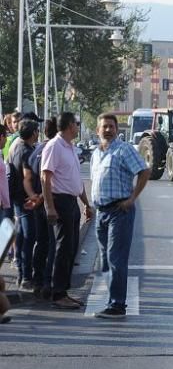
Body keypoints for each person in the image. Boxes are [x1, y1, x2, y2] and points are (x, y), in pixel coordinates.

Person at [89, 113, 149, 319]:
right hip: (101, 213)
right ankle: (112, 298)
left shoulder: (123, 150)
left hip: (119, 212)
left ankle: (117, 305)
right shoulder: (96, 153)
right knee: (105, 260)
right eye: (104, 126)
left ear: (117, 129)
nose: (107, 130)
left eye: (111, 126)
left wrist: (132, 198)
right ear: (97, 131)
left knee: (116, 259)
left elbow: (144, 171)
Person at [41, 112, 93, 310]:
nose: (78, 127)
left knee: (70, 248)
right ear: (71, 125)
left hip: (71, 201)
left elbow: (76, 180)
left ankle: (63, 291)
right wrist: (50, 207)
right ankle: (58, 293)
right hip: (59, 202)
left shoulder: (70, 147)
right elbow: (45, 178)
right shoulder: (54, 146)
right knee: (63, 249)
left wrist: (86, 204)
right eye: (77, 124)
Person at [25, 117, 57, 298]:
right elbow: (50, 180)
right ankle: (48, 281)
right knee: (53, 244)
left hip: (37, 203)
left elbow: (27, 179)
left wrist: (33, 196)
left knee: (41, 242)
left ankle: (37, 280)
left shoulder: (34, 151)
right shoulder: (56, 150)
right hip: (51, 203)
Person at [9, 120, 40, 292]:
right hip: (27, 200)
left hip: (18, 199)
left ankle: (22, 274)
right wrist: (34, 197)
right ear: (34, 133)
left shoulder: (17, 147)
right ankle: (26, 276)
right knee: (29, 238)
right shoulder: (27, 151)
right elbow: (27, 178)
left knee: (21, 237)